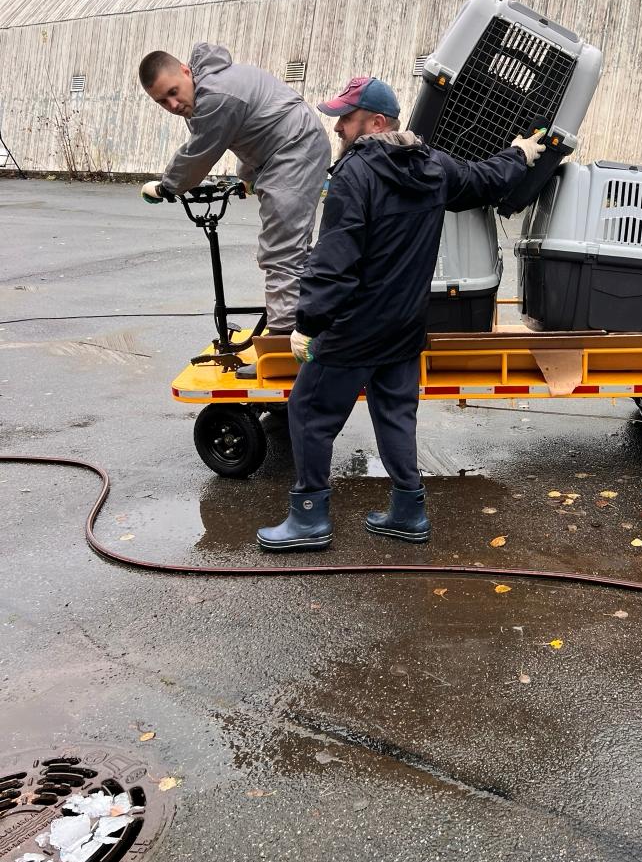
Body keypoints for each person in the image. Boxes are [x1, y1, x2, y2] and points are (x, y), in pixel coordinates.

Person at [256, 75, 546, 552]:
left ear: (375, 122)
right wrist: (519, 154)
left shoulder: (354, 174)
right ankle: (408, 512)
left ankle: (308, 518)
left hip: (352, 330)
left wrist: (308, 324)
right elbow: (484, 181)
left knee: (309, 413)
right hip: (405, 326)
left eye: (345, 120)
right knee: (395, 416)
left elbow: (335, 259)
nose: (338, 130)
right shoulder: (434, 167)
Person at [137, 44, 331, 359]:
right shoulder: (212, 84)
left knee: (281, 249)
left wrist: (166, 187)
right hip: (281, 149)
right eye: (162, 101)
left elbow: (199, 153)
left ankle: (283, 350)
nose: (172, 104)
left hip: (294, 149)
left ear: (187, 71)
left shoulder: (215, 97)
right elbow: (253, 128)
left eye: (173, 92)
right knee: (293, 248)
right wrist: (248, 180)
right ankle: (314, 325)